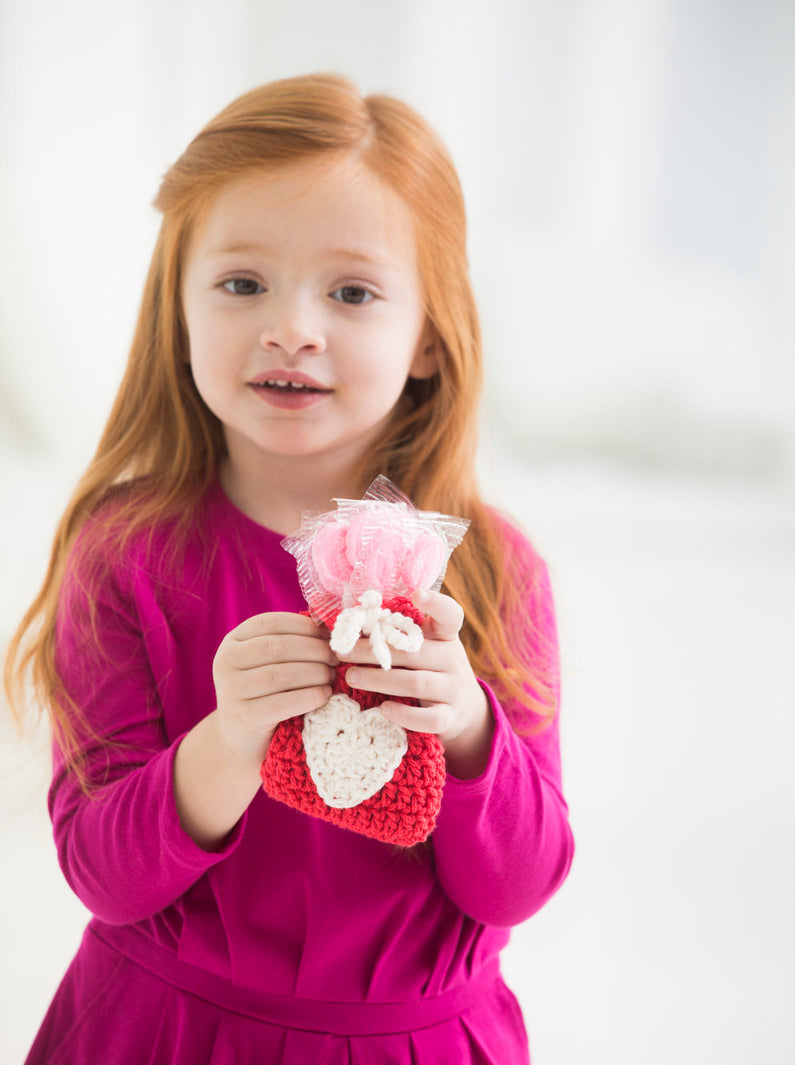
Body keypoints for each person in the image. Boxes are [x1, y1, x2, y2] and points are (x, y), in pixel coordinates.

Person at [5, 72, 574, 1064]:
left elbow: (519, 886)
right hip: (164, 1032)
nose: (292, 329)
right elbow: (103, 874)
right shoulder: (126, 552)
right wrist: (230, 740)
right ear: (178, 313)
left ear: (429, 337)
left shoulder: (493, 571)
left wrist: (468, 727)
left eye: (351, 292)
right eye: (242, 284)